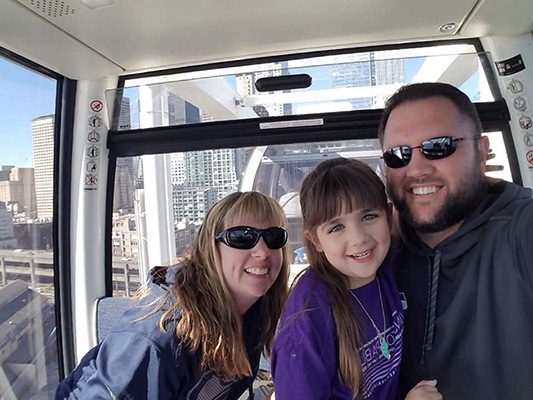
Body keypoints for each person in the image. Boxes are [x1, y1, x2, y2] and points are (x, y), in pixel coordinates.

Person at [378, 82, 533, 400]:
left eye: (439, 146)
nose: (417, 169)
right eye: (398, 155)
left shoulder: (520, 229)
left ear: (481, 150)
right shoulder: (377, 252)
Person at [56, 191, 290, 399]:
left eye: (273, 237)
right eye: (241, 238)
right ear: (211, 249)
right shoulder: (160, 338)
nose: (262, 251)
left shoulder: (258, 310)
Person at [271, 158, 441, 400]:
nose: (359, 238)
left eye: (369, 217)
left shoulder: (389, 268)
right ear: (315, 240)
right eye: (336, 228)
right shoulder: (308, 318)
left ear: (389, 217)